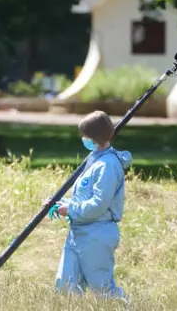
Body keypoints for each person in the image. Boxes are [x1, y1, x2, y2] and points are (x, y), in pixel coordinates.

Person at [46, 111, 132, 300]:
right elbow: (84, 198)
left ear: (96, 136)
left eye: (86, 136)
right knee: (65, 285)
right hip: (79, 231)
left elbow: (99, 205)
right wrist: (60, 203)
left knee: (102, 288)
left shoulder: (108, 165)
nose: (84, 139)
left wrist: (70, 210)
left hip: (97, 234)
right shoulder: (95, 160)